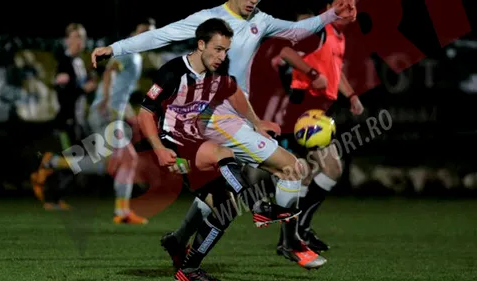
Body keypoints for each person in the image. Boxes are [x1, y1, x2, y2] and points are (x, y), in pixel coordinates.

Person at [91, 0, 357, 269]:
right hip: (216, 117)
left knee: (218, 193)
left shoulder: (260, 20)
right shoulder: (210, 19)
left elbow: (297, 31)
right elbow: (162, 35)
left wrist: (332, 14)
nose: (253, 0)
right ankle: (289, 240)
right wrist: (115, 49)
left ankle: (180, 239)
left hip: (236, 113)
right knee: (290, 168)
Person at [136, 18, 298, 281]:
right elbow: (144, 114)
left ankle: (188, 268)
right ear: (201, 45)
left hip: (193, 146)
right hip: (171, 145)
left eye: (226, 50)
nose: (222, 56)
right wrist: (158, 149)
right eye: (218, 49)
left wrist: (256, 124)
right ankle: (257, 205)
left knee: (225, 210)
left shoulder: (216, 72)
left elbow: (233, 91)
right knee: (223, 153)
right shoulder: (172, 72)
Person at [270, 0, 364, 252]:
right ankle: (298, 232)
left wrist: (351, 95)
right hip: (304, 112)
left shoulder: (336, 35)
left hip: (316, 112)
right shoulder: (319, 31)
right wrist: (312, 74)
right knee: (331, 168)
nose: (350, 10)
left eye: (354, 5)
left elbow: (334, 71)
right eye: (344, 4)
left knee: (306, 175)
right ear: (328, 7)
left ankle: (293, 235)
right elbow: (286, 53)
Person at [88, 21, 155, 224]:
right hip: (106, 113)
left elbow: (121, 91)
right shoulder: (129, 52)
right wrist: (107, 102)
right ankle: (53, 163)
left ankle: (122, 212)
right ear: (134, 32)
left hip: (112, 114)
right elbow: (109, 72)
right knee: (115, 162)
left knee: (122, 161)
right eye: (142, 32)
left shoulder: (135, 56)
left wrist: (127, 114)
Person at [31, 23, 97, 210]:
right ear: (67, 40)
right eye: (76, 37)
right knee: (73, 159)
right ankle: (50, 189)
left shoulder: (79, 62)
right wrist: (81, 88)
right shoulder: (64, 61)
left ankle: (55, 195)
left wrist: (87, 85)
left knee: (78, 160)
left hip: (78, 119)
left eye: (82, 37)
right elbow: (64, 92)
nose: (79, 41)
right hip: (68, 119)